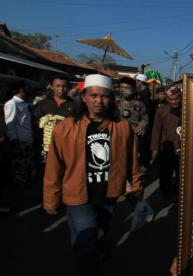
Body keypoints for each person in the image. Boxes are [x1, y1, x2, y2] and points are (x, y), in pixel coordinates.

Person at [43, 74, 143, 276]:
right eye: (94, 95)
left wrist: (136, 185)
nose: (99, 100)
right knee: (85, 243)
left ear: (112, 98)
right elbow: (54, 166)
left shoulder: (122, 128)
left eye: (105, 96)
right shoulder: (65, 128)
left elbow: (132, 160)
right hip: (78, 194)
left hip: (109, 193)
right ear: (84, 96)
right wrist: (50, 198)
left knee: (101, 230)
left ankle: (101, 247)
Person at [151, 86, 182, 195]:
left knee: (181, 174)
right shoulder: (161, 111)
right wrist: (154, 149)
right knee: (165, 173)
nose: (174, 102)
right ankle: (165, 192)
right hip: (166, 147)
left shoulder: (187, 110)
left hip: (182, 149)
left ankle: (179, 193)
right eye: (171, 99)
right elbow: (156, 129)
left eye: (177, 98)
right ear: (167, 99)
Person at [4, 80, 34, 188]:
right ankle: (18, 185)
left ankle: (24, 183)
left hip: (27, 139)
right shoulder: (12, 104)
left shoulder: (24, 103)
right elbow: (10, 123)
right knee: (19, 164)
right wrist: (14, 139)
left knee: (25, 163)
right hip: (19, 140)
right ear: (21, 90)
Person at [116, 76, 149, 170]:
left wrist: (142, 126)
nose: (123, 90)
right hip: (117, 135)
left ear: (133, 89)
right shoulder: (114, 102)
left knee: (133, 161)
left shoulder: (139, 104)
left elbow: (145, 118)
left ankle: (133, 181)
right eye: (121, 87)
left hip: (133, 137)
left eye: (127, 88)